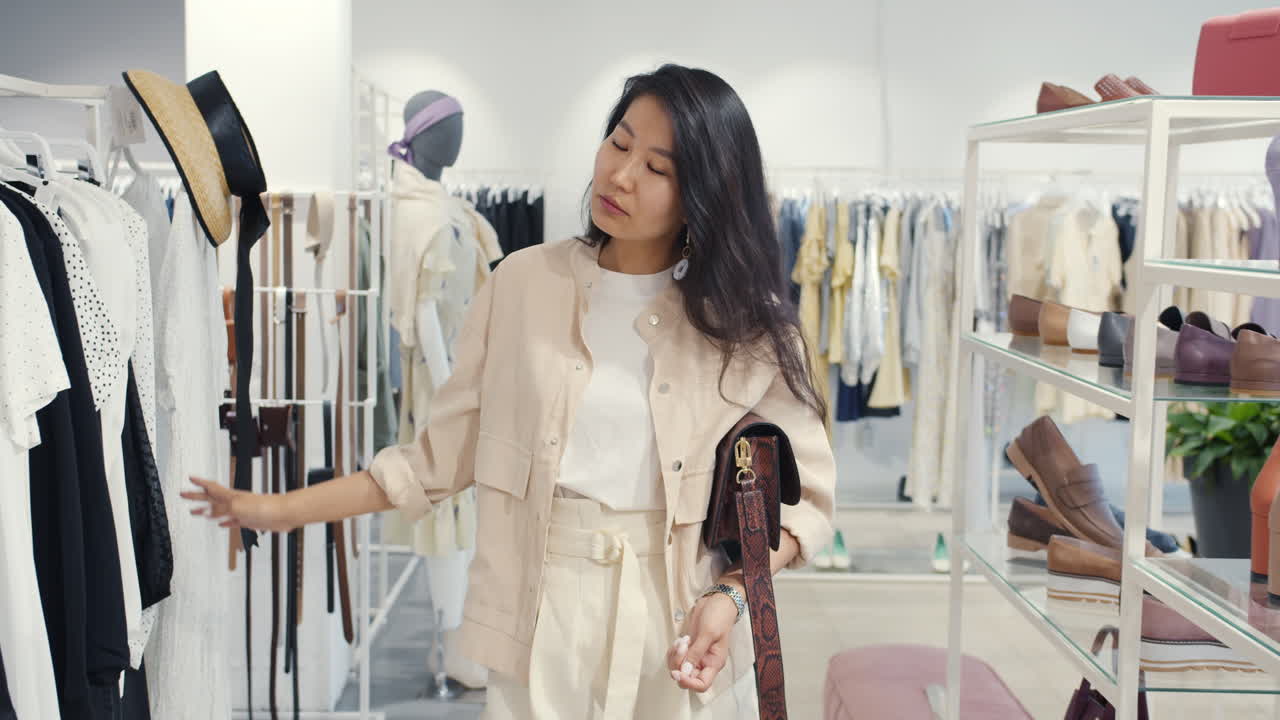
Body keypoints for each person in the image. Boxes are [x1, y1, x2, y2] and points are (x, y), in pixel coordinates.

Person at [184, 63, 836, 719]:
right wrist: (275, 510)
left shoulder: (744, 324)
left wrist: (730, 596)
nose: (621, 175)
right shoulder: (522, 284)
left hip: (682, 619)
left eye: (658, 168)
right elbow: (435, 462)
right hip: (537, 606)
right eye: (619, 142)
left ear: (706, 194)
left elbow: (804, 502)